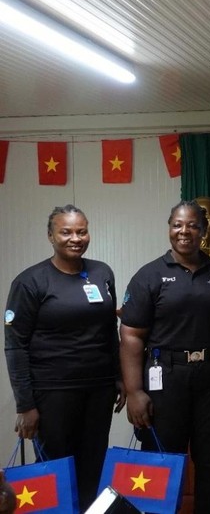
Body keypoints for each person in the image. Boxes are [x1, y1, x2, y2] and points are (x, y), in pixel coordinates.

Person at [119, 200, 210, 514]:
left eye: (192, 225)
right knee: (161, 459)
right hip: (166, 377)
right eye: (177, 224)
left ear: (203, 231)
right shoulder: (148, 276)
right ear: (169, 228)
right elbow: (131, 336)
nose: (184, 231)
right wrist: (134, 391)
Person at [3, 204, 124, 511]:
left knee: (93, 467)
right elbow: (15, 345)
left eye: (81, 231)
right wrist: (25, 405)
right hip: (52, 393)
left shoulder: (101, 273)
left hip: (99, 390)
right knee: (55, 472)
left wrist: (119, 376)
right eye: (66, 231)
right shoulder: (30, 282)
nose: (75, 238)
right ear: (51, 236)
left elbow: (111, 330)